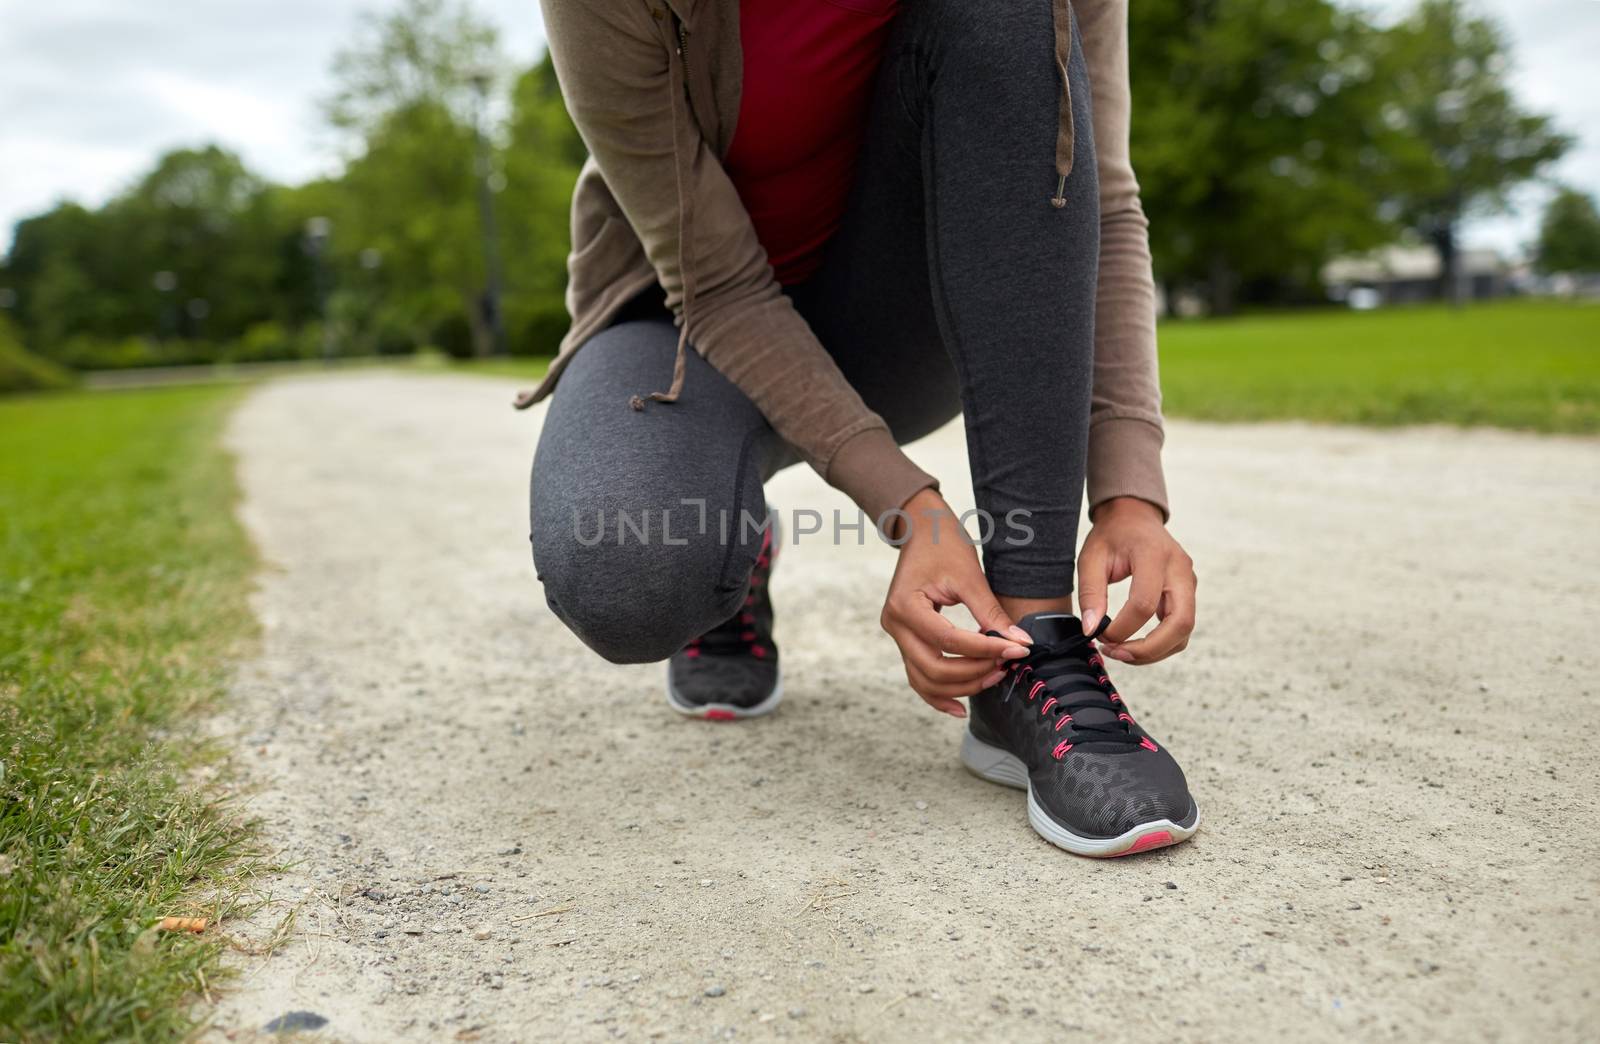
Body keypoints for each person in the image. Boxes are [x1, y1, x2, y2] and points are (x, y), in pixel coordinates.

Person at [519, 0, 1200, 858]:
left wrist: (1132, 493)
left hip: (896, 325)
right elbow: (719, 283)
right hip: (685, 316)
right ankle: (735, 537)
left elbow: (1091, 195)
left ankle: (1030, 651)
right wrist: (910, 508)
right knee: (625, 570)